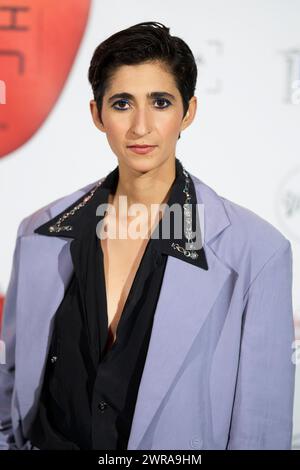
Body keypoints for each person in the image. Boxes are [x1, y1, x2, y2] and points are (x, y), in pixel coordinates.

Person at [0, 21, 295, 450]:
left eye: (160, 102)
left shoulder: (256, 251)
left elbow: (261, 431)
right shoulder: (40, 233)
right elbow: (11, 381)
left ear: (188, 112)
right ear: (97, 114)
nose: (141, 126)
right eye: (122, 103)